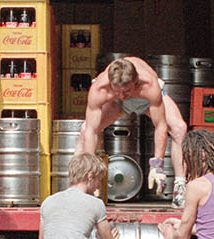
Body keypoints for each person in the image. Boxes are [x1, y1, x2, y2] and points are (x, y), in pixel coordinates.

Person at [76, 56, 188, 205]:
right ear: (111, 84)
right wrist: (90, 171)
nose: (123, 96)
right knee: (84, 130)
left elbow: (160, 126)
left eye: (126, 91)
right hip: (116, 105)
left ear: (136, 82)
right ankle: (79, 187)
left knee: (180, 129)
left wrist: (157, 165)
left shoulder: (149, 84)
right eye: (118, 91)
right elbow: (91, 130)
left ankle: (180, 187)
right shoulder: (100, 89)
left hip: (146, 101)